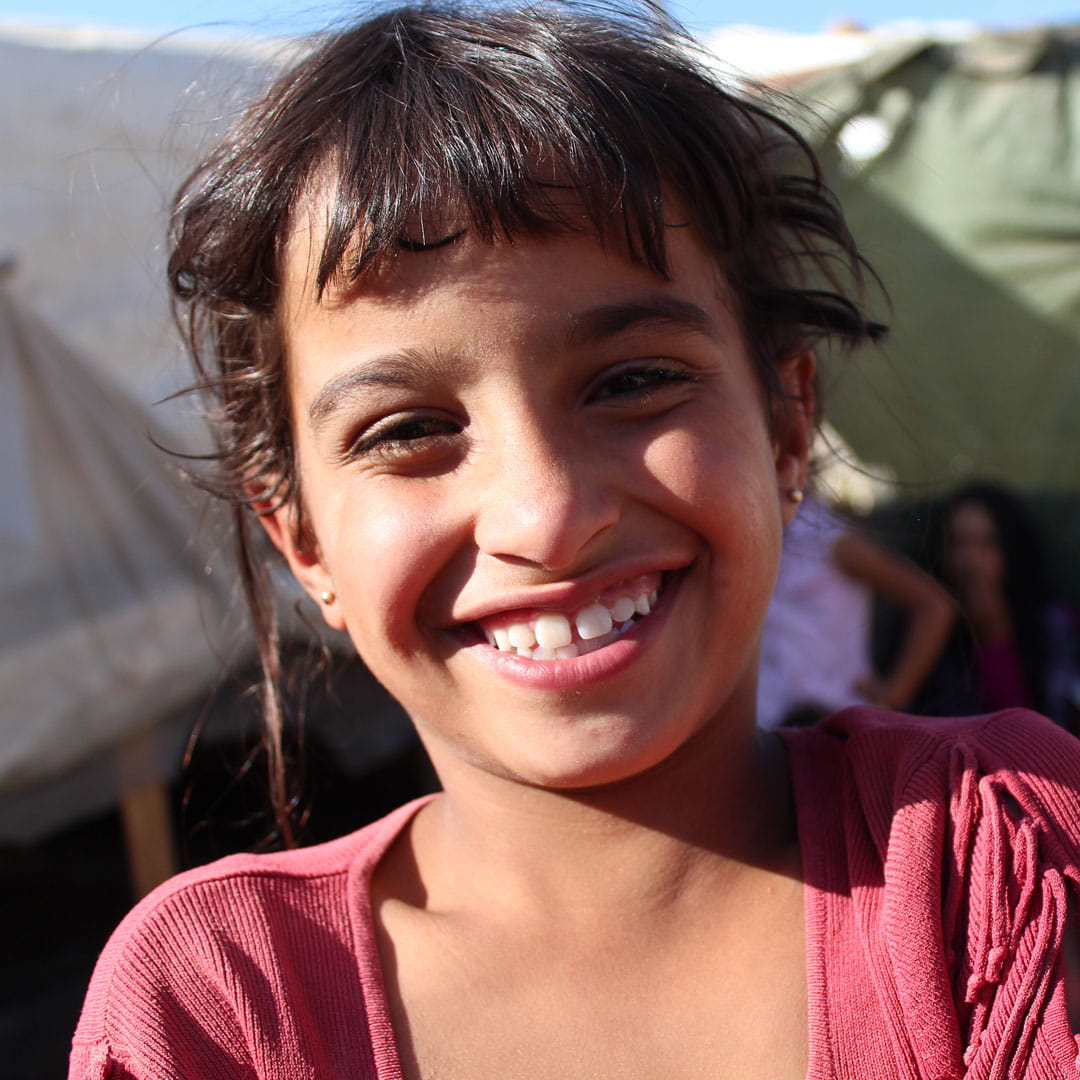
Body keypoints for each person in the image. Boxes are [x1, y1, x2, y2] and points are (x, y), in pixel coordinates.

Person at [69, 4, 1080, 1077]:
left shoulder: (1002, 862)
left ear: (788, 429)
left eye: (634, 382)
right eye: (407, 431)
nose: (546, 516)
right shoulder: (221, 1003)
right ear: (303, 542)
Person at [757, 488, 955, 728]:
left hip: (831, 726)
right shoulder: (759, 534)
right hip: (764, 728)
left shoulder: (830, 539)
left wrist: (894, 694)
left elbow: (934, 606)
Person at [919, 480, 1080, 729]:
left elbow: (1036, 734)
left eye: (988, 544)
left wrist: (995, 639)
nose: (971, 560)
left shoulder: (1057, 626)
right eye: (958, 543)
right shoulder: (924, 625)